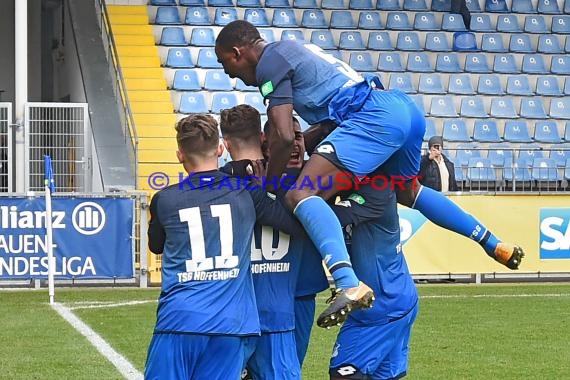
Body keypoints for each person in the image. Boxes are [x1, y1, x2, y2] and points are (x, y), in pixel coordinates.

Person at [215, 21, 524, 324]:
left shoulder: (270, 61)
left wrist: (268, 186)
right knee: (409, 191)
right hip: (400, 107)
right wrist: (309, 143)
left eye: (225, 62)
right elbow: (330, 118)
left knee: (301, 194)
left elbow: (282, 136)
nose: (228, 72)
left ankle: (347, 282)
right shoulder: (292, 50)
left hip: (374, 117)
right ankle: (493, 243)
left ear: (237, 51)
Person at [145, 114, 303, 380]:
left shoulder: (164, 200)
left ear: (180, 154)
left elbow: (156, 246)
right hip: (231, 325)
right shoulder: (246, 193)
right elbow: (294, 224)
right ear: (219, 149)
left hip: (179, 320)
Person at [219, 104, 303, 380]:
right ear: (263, 136)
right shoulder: (295, 179)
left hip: (229, 313)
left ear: (226, 144)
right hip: (277, 308)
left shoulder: (214, 184)